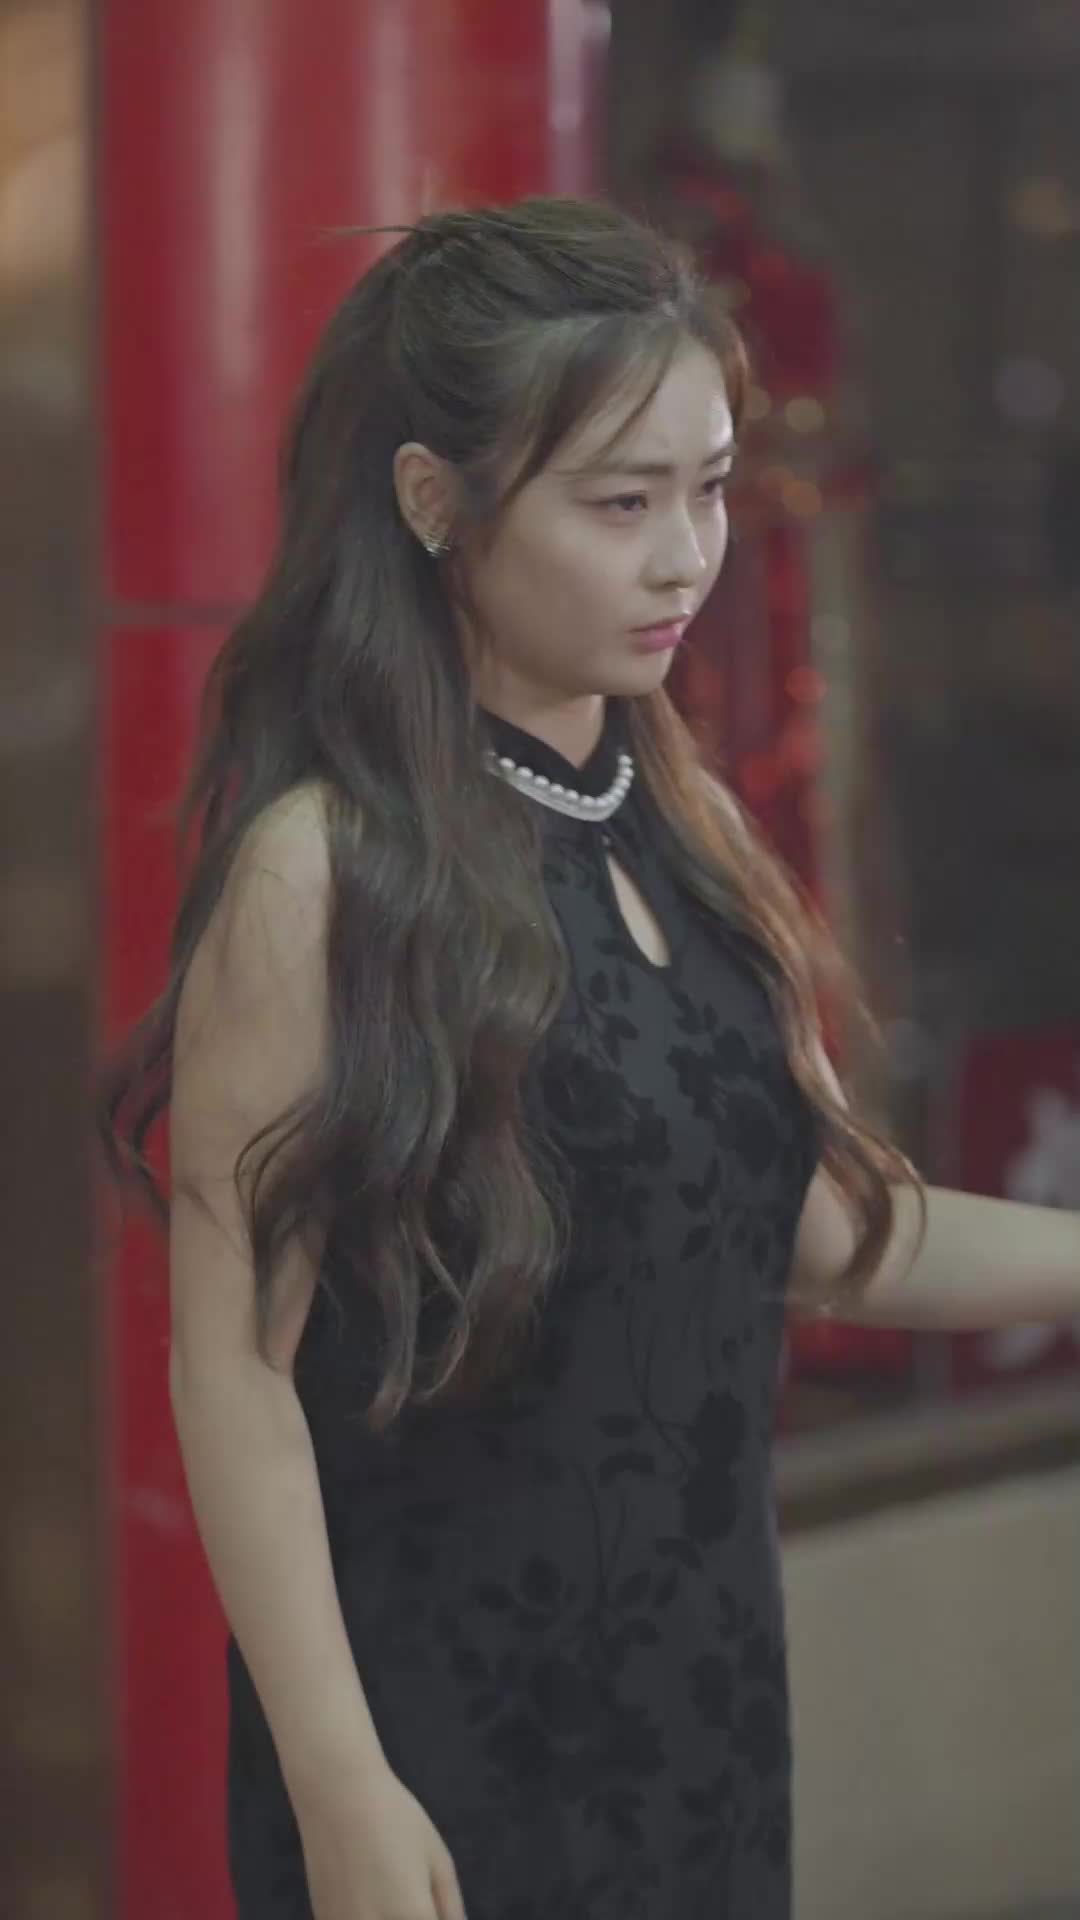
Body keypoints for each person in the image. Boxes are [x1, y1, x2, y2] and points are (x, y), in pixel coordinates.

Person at [98, 196, 1080, 1920]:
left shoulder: (688, 834)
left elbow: (824, 1230)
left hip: (698, 1716)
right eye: (622, 504)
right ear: (435, 503)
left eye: (711, 490)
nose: (686, 557)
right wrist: (337, 1776)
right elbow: (237, 1371)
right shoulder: (327, 874)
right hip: (441, 1735)